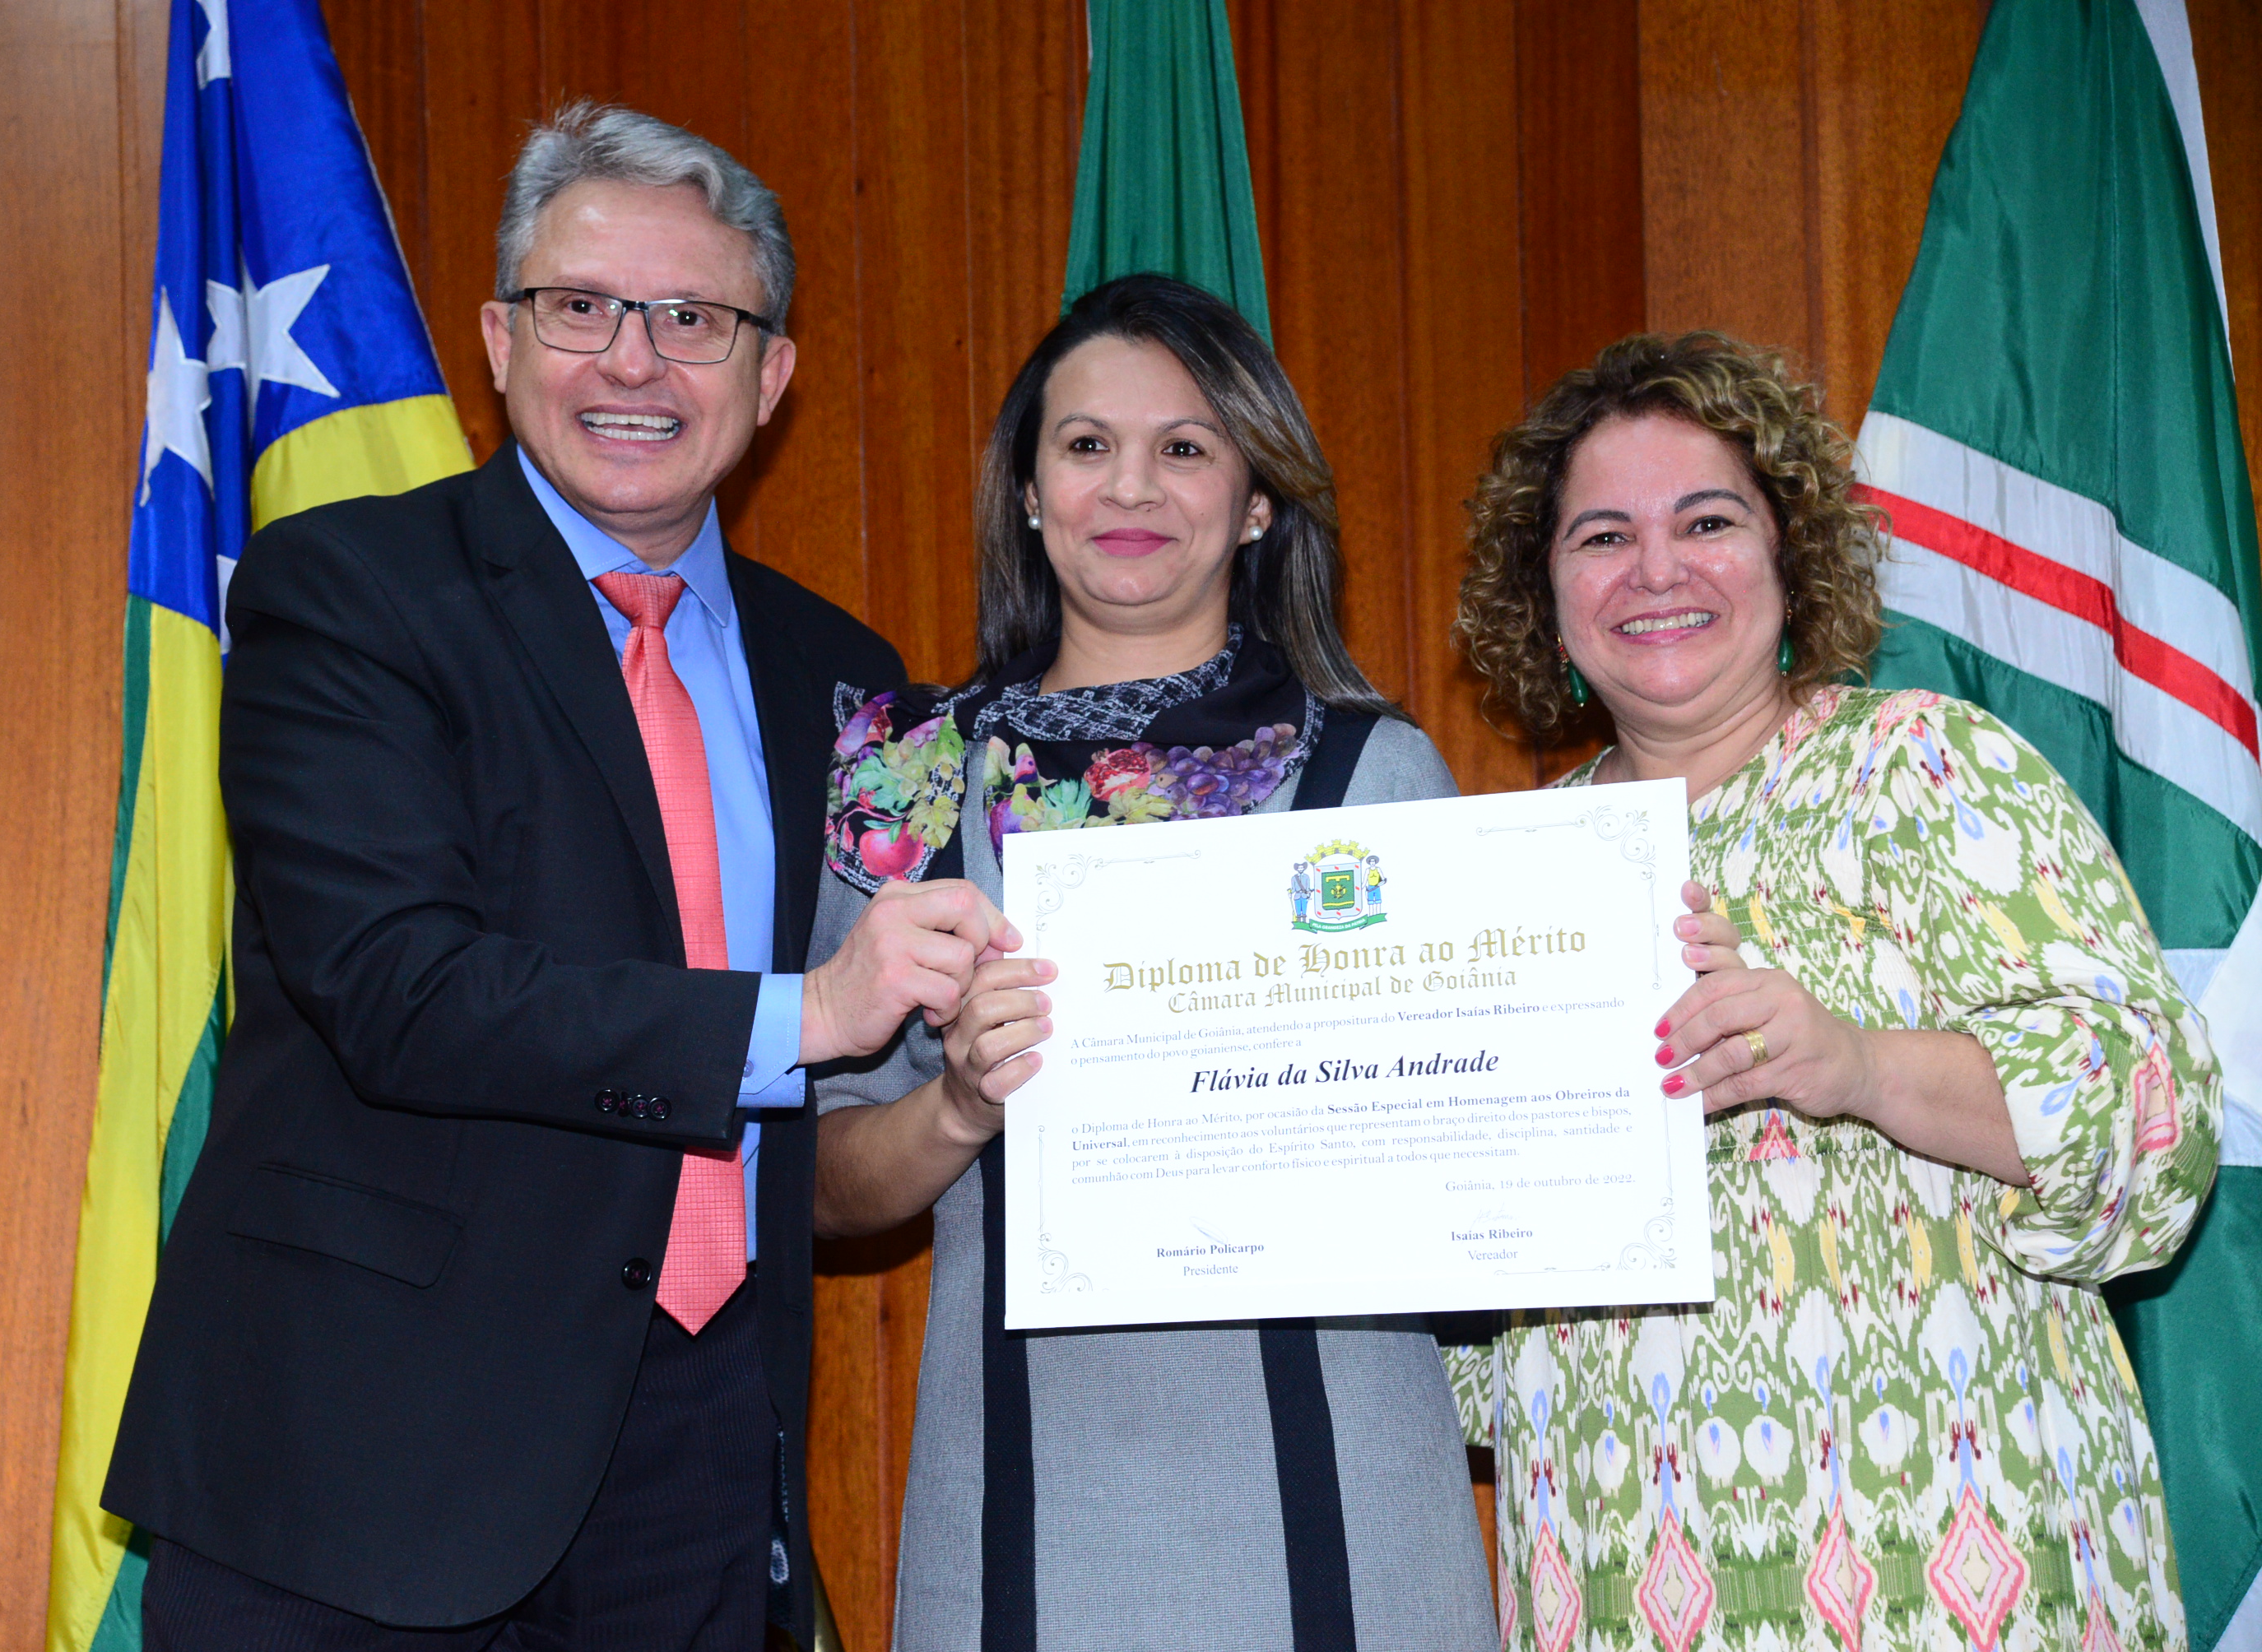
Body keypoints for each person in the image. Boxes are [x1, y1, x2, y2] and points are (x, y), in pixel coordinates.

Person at [103, 103, 1014, 1650]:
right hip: (366, 1465)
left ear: (772, 375)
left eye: (695, 319)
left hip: (702, 1463)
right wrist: (808, 1013)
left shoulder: (843, 675)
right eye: (581, 306)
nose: (634, 361)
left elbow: (853, 1108)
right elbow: (400, 989)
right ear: (500, 342)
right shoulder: (346, 591)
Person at [1449, 332, 2221, 1652]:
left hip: (1955, 1558)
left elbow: (2155, 1114)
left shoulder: (1928, 767)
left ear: (1791, 557)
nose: (1656, 569)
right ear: (1545, 594)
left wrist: (1858, 1065)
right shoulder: (1498, 873)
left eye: (1707, 521)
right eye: (1602, 537)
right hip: (1614, 1559)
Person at [811, 274, 1498, 1652]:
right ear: (1028, 490)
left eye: (1184, 446)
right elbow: (824, 1184)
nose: (1131, 485)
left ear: (1256, 503)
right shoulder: (906, 774)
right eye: (1087, 445)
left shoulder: (1375, 773)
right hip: (1015, 1499)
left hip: (1337, 1499)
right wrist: (959, 1107)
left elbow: (1468, 1152)